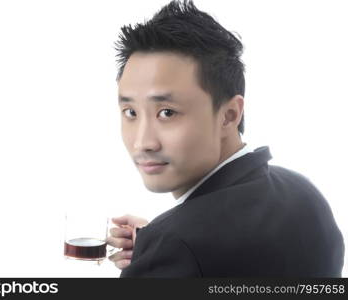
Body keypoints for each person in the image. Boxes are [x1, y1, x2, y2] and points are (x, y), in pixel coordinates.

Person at [106, 0, 344, 277]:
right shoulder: (302, 191)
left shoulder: (175, 247)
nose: (142, 142)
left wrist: (162, 253)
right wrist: (158, 248)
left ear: (229, 115)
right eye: (131, 112)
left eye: (167, 112)